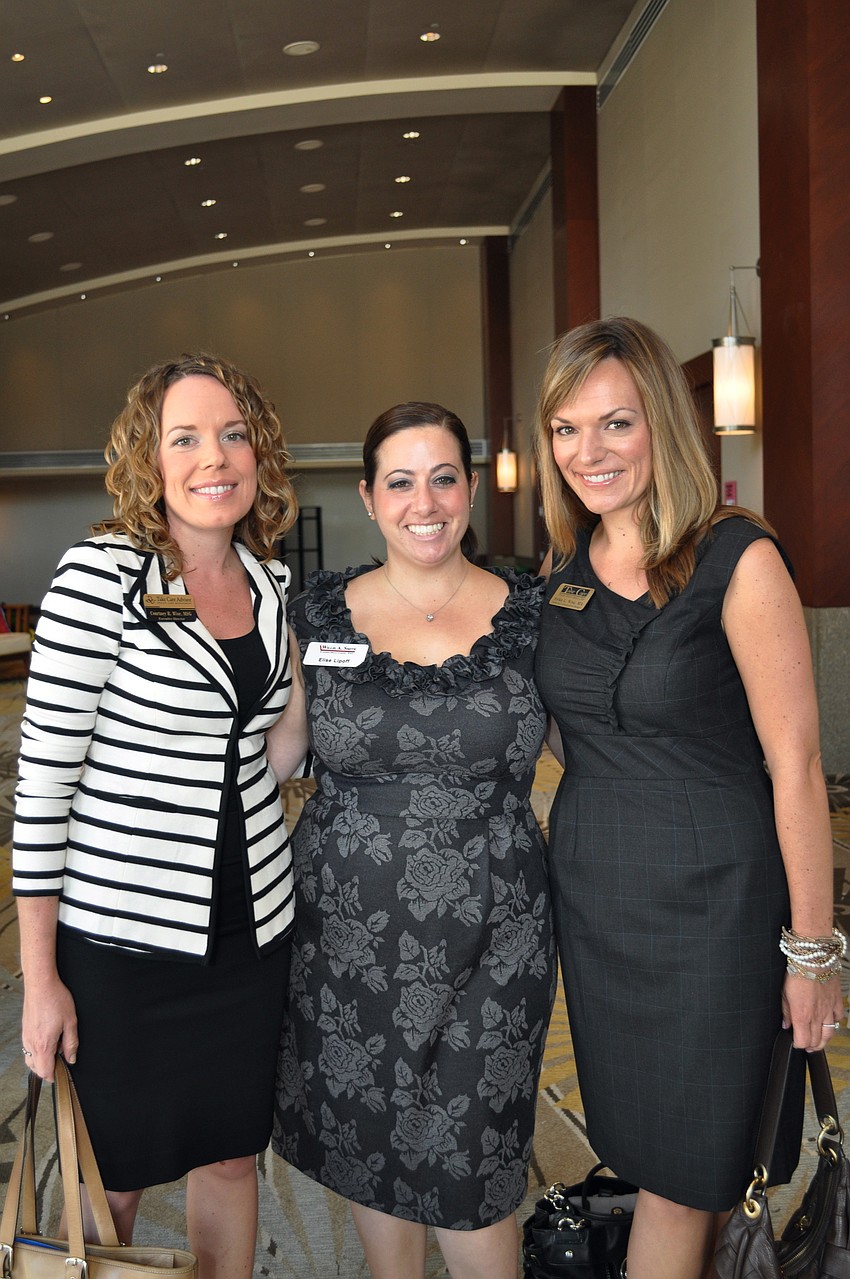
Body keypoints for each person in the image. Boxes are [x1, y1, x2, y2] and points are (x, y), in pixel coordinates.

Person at [532, 317, 843, 1279]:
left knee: (693, 1170)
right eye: (566, 429)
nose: (590, 452)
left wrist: (813, 952)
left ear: (662, 421)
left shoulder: (736, 559)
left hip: (714, 911)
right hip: (600, 912)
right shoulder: (561, 574)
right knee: (642, 1151)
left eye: (615, 423)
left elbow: (795, 765)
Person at [12, 352, 308, 1279]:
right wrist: (39, 976)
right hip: (124, 944)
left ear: (258, 451)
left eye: (231, 432)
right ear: (149, 457)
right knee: (118, 1176)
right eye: (184, 436)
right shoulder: (102, 578)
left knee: (228, 1153)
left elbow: (273, 750)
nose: (212, 455)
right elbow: (43, 787)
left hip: (250, 931)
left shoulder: (267, 589)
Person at [268, 402, 556, 1279]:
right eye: (400, 480)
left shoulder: (537, 615)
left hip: (496, 946)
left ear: (470, 490)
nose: (422, 500)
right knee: (373, 1154)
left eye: (442, 477)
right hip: (348, 942)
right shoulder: (315, 615)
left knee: (476, 1175)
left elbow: (603, 751)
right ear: (368, 495)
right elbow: (272, 758)